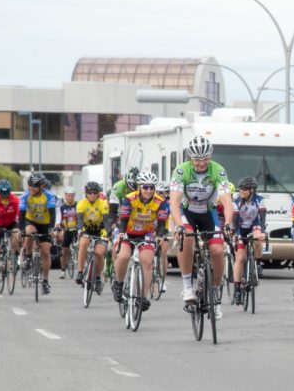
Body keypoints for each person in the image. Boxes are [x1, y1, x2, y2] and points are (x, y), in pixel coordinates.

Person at [170, 134, 234, 319]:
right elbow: (174, 201)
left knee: (217, 250)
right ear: (191, 158)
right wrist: (179, 225)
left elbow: (227, 201)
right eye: (197, 159)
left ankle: (214, 293)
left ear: (210, 157)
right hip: (187, 211)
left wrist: (228, 223)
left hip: (208, 212)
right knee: (187, 238)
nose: (201, 163)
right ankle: (187, 287)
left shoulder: (217, 170)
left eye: (205, 158)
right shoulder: (182, 171)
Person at [112, 171, 168, 312]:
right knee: (123, 256)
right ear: (139, 187)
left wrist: (160, 235)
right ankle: (118, 283)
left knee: (147, 261)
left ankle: (143, 297)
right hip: (129, 232)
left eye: (151, 187)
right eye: (145, 187)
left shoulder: (160, 202)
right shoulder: (130, 198)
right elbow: (123, 218)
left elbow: (162, 223)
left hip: (146, 233)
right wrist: (122, 233)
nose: (148, 190)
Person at [19, 173, 57, 295]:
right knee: (29, 232)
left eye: (34, 187)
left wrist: (51, 228)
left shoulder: (49, 196)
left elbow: (52, 213)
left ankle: (45, 281)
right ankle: (29, 257)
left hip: (45, 225)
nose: (31, 189)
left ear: (41, 186)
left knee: (46, 252)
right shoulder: (25, 196)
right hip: (31, 221)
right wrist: (21, 229)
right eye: (29, 186)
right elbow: (21, 215)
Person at [231, 176, 267, 305]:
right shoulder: (235, 201)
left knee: (258, 237)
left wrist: (262, 232)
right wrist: (235, 234)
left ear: (252, 190)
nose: (242, 191)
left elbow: (262, 218)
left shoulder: (259, 200)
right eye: (240, 189)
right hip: (240, 228)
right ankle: (237, 289)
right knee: (240, 258)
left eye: (245, 189)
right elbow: (234, 220)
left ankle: (257, 263)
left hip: (254, 225)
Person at [75, 181, 110, 292]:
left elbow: (106, 221)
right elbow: (80, 221)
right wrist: (80, 230)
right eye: (90, 193)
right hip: (87, 230)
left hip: (100, 230)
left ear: (98, 194)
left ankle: (98, 278)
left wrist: (107, 232)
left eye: (95, 193)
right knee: (83, 244)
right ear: (86, 193)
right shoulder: (81, 204)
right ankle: (80, 272)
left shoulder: (103, 203)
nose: (93, 195)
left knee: (99, 253)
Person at [57, 186, 79, 279]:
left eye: (72, 196)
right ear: (65, 196)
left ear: (74, 196)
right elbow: (58, 218)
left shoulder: (78, 205)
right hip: (66, 230)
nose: (70, 197)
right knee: (65, 251)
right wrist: (59, 227)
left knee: (81, 246)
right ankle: (63, 270)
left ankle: (80, 268)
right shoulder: (62, 207)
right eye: (68, 196)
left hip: (76, 229)